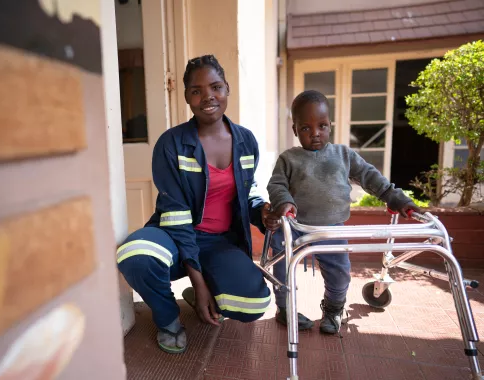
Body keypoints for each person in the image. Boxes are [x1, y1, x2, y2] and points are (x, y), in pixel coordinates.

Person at [117, 55, 279, 354]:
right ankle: (168, 320)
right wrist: (199, 279)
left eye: (216, 87)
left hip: (220, 243)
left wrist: (262, 210)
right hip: (175, 237)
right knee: (135, 254)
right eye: (196, 90)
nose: (208, 97)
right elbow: (176, 215)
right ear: (187, 97)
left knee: (254, 302)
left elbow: (248, 193)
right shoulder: (172, 143)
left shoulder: (245, 141)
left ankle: (204, 292)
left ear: (227, 89)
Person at [267, 90, 420, 335]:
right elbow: (276, 185)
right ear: (295, 130)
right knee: (281, 265)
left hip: (332, 229)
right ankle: (285, 309)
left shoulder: (343, 155)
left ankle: (334, 309)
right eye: (305, 128)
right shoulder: (289, 159)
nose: (315, 133)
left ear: (330, 125)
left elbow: (372, 178)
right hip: (295, 227)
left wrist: (396, 198)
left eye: (322, 126)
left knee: (340, 273)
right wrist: (284, 202)